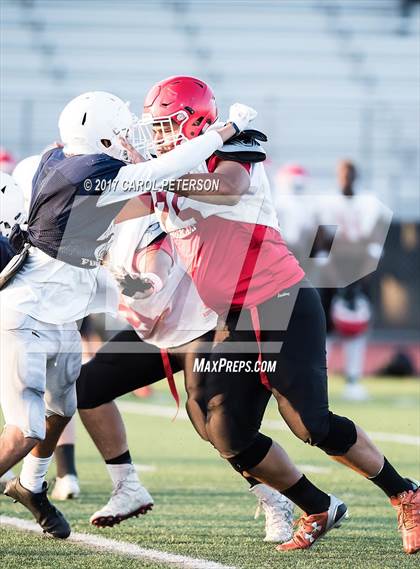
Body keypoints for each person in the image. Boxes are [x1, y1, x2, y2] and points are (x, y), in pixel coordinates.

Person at [134, 75, 419, 554]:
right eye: (155, 129)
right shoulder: (165, 168)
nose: (160, 137)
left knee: (312, 425)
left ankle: (405, 493)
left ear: (198, 122)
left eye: (167, 126)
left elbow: (227, 187)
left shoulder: (233, 145)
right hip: (229, 317)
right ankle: (317, 504)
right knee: (216, 423)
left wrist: (156, 172)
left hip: (279, 301)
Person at [0, 89, 256, 538]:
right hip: (28, 313)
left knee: (65, 404)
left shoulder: (59, 159)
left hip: (58, 309)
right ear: (98, 141)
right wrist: (224, 131)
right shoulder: (91, 172)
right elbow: (163, 170)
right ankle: (30, 478)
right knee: (24, 429)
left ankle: (31, 486)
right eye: (117, 134)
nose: (126, 139)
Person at [74, 213, 294, 542]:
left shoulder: (149, 209)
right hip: (155, 331)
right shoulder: (101, 217)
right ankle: (127, 486)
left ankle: (277, 498)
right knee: (88, 388)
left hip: (197, 325)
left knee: (217, 428)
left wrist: (143, 283)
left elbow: (156, 265)